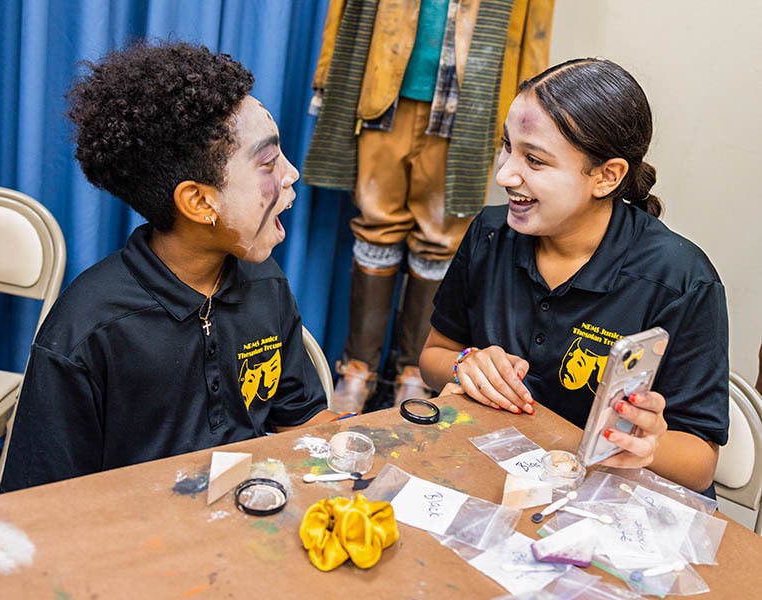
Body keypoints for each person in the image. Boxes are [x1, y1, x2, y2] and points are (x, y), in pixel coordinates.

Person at [0, 41, 335, 492]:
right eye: (270, 163)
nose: (292, 174)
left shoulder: (265, 285)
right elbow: (41, 503)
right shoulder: (86, 333)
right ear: (198, 201)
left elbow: (302, 420)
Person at [419, 58, 729, 496]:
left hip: (613, 506)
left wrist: (646, 445)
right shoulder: (490, 235)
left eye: (535, 160)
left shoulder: (680, 280)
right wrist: (466, 364)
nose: (505, 173)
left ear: (607, 176)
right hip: (496, 480)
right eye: (507, 146)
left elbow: (700, 463)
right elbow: (434, 356)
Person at [304, 0, 554, 412]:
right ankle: (357, 371)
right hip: (385, 92)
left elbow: (535, 37)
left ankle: (415, 375)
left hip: (468, 108)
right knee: (375, 226)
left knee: (441, 242)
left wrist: (525, 116)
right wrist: (327, 77)